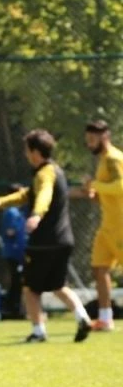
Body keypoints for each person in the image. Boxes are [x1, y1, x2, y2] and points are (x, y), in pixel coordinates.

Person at [0, 130, 93, 344]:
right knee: (58, 285)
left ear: (35, 152)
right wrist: (1, 202)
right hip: (64, 240)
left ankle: (38, 332)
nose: (26, 154)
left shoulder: (45, 174)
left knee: (30, 288)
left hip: (44, 242)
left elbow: (44, 194)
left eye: (27, 150)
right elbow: (26, 195)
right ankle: (82, 317)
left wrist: (36, 215)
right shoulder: (55, 171)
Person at [81, 120, 122, 332]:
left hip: (120, 226)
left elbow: (120, 186)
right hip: (107, 226)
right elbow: (109, 192)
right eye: (87, 140)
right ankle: (105, 318)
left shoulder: (114, 158)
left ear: (105, 137)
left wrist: (94, 185)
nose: (89, 144)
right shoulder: (103, 160)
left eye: (92, 139)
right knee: (99, 268)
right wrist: (95, 194)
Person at [0, 184, 27, 318]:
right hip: (14, 252)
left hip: (19, 252)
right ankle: (11, 308)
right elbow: (10, 231)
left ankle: (15, 307)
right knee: (17, 281)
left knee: (18, 281)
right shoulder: (12, 212)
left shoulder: (18, 211)